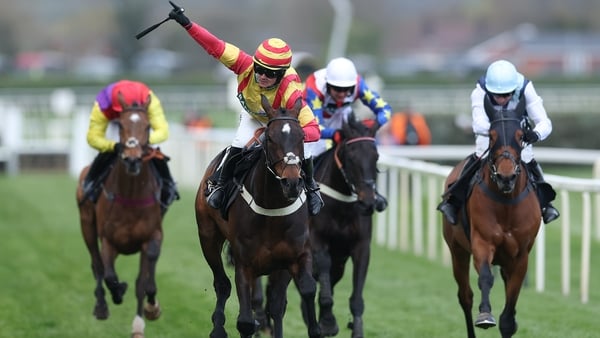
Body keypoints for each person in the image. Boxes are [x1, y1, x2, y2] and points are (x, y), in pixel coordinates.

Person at [167, 2, 324, 215]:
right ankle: (220, 186)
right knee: (240, 142)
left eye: (270, 74)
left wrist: (289, 135)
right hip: (253, 116)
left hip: (282, 122)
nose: (262, 76)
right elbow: (213, 45)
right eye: (260, 69)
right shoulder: (243, 64)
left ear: (281, 75)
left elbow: (314, 130)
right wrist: (187, 24)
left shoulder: (291, 91)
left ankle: (312, 188)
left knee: (302, 149)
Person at [437, 59, 560, 225]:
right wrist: (497, 133)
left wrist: (535, 134)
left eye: (506, 95)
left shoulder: (525, 87)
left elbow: (545, 122)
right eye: (497, 95)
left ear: (514, 88)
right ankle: (453, 201)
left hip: (518, 136)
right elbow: (479, 123)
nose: (502, 99)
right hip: (490, 135)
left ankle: (545, 205)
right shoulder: (480, 90)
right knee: (479, 155)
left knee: (528, 160)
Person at [303, 57, 392, 212]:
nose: (343, 94)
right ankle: (305, 191)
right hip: (313, 121)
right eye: (337, 89)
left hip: (340, 115)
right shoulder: (314, 87)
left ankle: (371, 191)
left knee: (360, 150)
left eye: (347, 89)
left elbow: (385, 109)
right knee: (313, 151)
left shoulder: (359, 84)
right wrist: (336, 135)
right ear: (328, 84)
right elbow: (316, 128)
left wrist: (375, 123)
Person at [82, 80, 180, 216]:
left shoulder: (149, 99)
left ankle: (169, 186)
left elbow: (163, 131)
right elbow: (93, 138)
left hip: (140, 135)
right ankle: (90, 185)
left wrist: (140, 142)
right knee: (104, 155)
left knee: (158, 155)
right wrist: (113, 145)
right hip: (117, 133)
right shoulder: (103, 104)